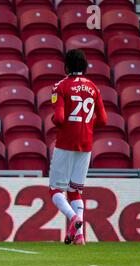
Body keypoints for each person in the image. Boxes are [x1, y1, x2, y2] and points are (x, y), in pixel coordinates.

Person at [49, 49, 107, 245]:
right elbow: (104, 120)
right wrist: (88, 125)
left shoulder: (61, 86)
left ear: (66, 66)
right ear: (85, 67)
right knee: (75, 191)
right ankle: (80, 236)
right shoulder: (94, 87)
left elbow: (59, 118)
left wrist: (53, 119)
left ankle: (74, 218)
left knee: (55, 190)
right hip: (86, 143)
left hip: (66, 142)